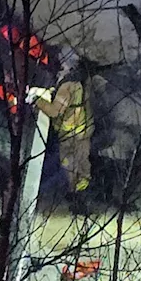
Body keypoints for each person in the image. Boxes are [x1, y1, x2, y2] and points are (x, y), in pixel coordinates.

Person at [28, 59, 93, 194]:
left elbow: (55, 111)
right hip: (82, 128)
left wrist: (37, 101)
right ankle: (83, 193)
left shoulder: (67, 86)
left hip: (70, 132)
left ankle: (75, 194)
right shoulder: (79, 82)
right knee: (82, 164)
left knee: (68, 163)